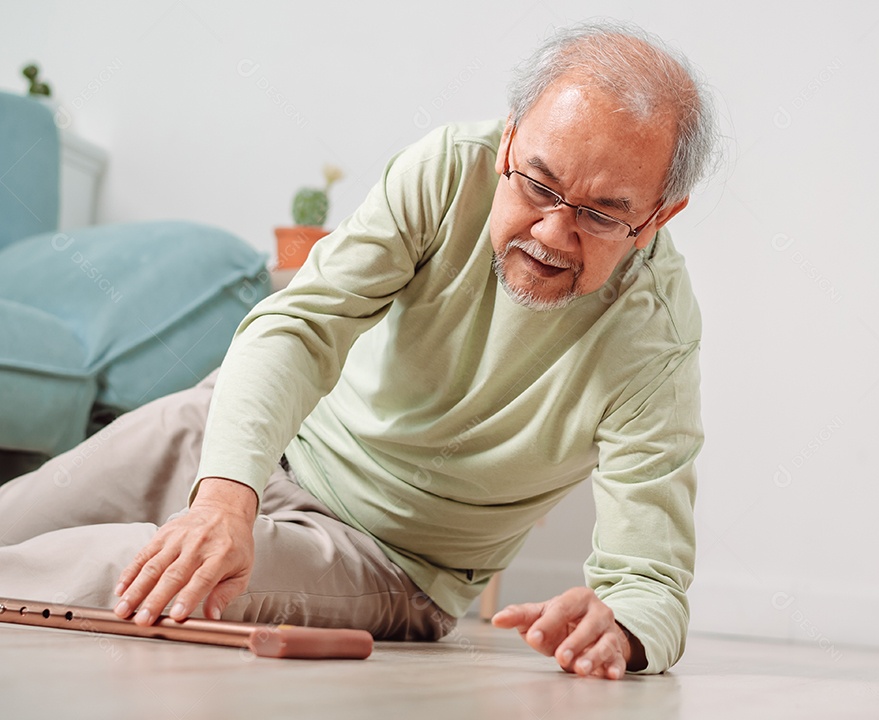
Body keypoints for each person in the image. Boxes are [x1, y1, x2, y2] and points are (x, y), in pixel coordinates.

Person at [0, 20, 717, 679]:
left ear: (657, 219)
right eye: (540, 184)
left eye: (599, 215)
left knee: (111, 575)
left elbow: (649, 578)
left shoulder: (655, 340)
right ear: (508, 140)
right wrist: (224, 498)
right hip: (239, 438)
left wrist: (620, 631)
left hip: (386, 555)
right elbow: (300, 326)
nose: (554, 233)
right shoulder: (445, 170)